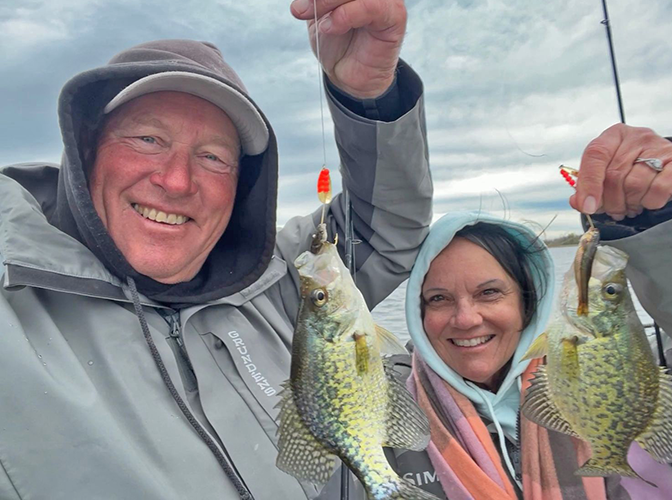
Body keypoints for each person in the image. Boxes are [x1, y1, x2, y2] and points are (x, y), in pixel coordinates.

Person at [0, 1, 433, 498]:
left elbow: (386, 227)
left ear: (241, 185)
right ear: (85, 149)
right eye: (147, 138)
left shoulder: (277, 283)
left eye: (212, 156)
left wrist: (370, 98)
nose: (178, 180)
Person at [388, 125, 672, 499]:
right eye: (438, 298)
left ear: (528, 301)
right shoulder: (378, 402)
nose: (465, 319)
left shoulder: (627, 380)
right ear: (417, 311)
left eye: (490, 292)